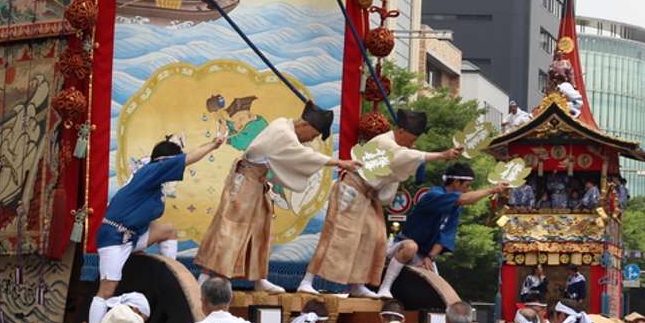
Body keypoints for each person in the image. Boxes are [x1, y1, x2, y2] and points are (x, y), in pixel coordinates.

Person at [199, 102, 353, 294]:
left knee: (261, 229)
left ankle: (259, 279)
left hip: (256, 182)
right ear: (306, 125)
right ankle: (210, 278)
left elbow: (297, 153)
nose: (310, 140)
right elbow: (304, 155)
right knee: (231, 229)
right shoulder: (283, 132)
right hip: (245, 182)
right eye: (313, 135)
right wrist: (339, 162)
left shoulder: (284, 127)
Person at [301, 110, 458, 297]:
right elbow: (404, 157)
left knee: (373, 237)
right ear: (400, 131)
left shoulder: (398, 148)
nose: (412, 143)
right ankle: (307, 280)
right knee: (335, 234)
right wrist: (441, 155)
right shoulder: (384, 143)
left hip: (368, 196)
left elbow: (403, 159)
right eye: (411, 138)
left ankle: (357, 284)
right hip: (351, 189)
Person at [95, 135, 226, 323]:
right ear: (166, 161)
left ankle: (170, 274)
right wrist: (214, 144)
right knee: (107, 290)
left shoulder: (152, 176)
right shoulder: (154, 170)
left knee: (168, 230)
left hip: (131, 238)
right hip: (114, 238)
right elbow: (188, 158)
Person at [371, 161, 509, 298]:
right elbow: (464, 199)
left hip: (425, 254)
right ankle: (385, 288)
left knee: (440, 293)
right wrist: (492, 190)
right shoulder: (433, 195)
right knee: (411, 247)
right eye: (467, 185)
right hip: (403, 244)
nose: (468, 189)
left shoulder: (455, 207)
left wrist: (430, 257)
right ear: (455, 182)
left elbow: (445, 235)